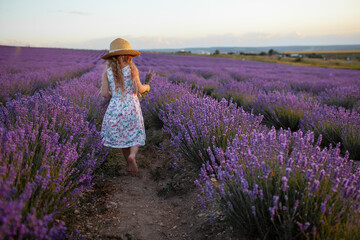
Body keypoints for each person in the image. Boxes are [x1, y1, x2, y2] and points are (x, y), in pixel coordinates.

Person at [100, 38, 150, 175]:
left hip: (115, 108)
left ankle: (128, 163)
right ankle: (132, 156)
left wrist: (115, 95)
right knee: (136, 134)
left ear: (112, 57)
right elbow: (138, 89)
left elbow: (104, 93)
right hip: (132, 106)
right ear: (128, 55)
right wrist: (147, 87)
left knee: (123, 137)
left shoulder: (107, 72)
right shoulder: (132, 69)